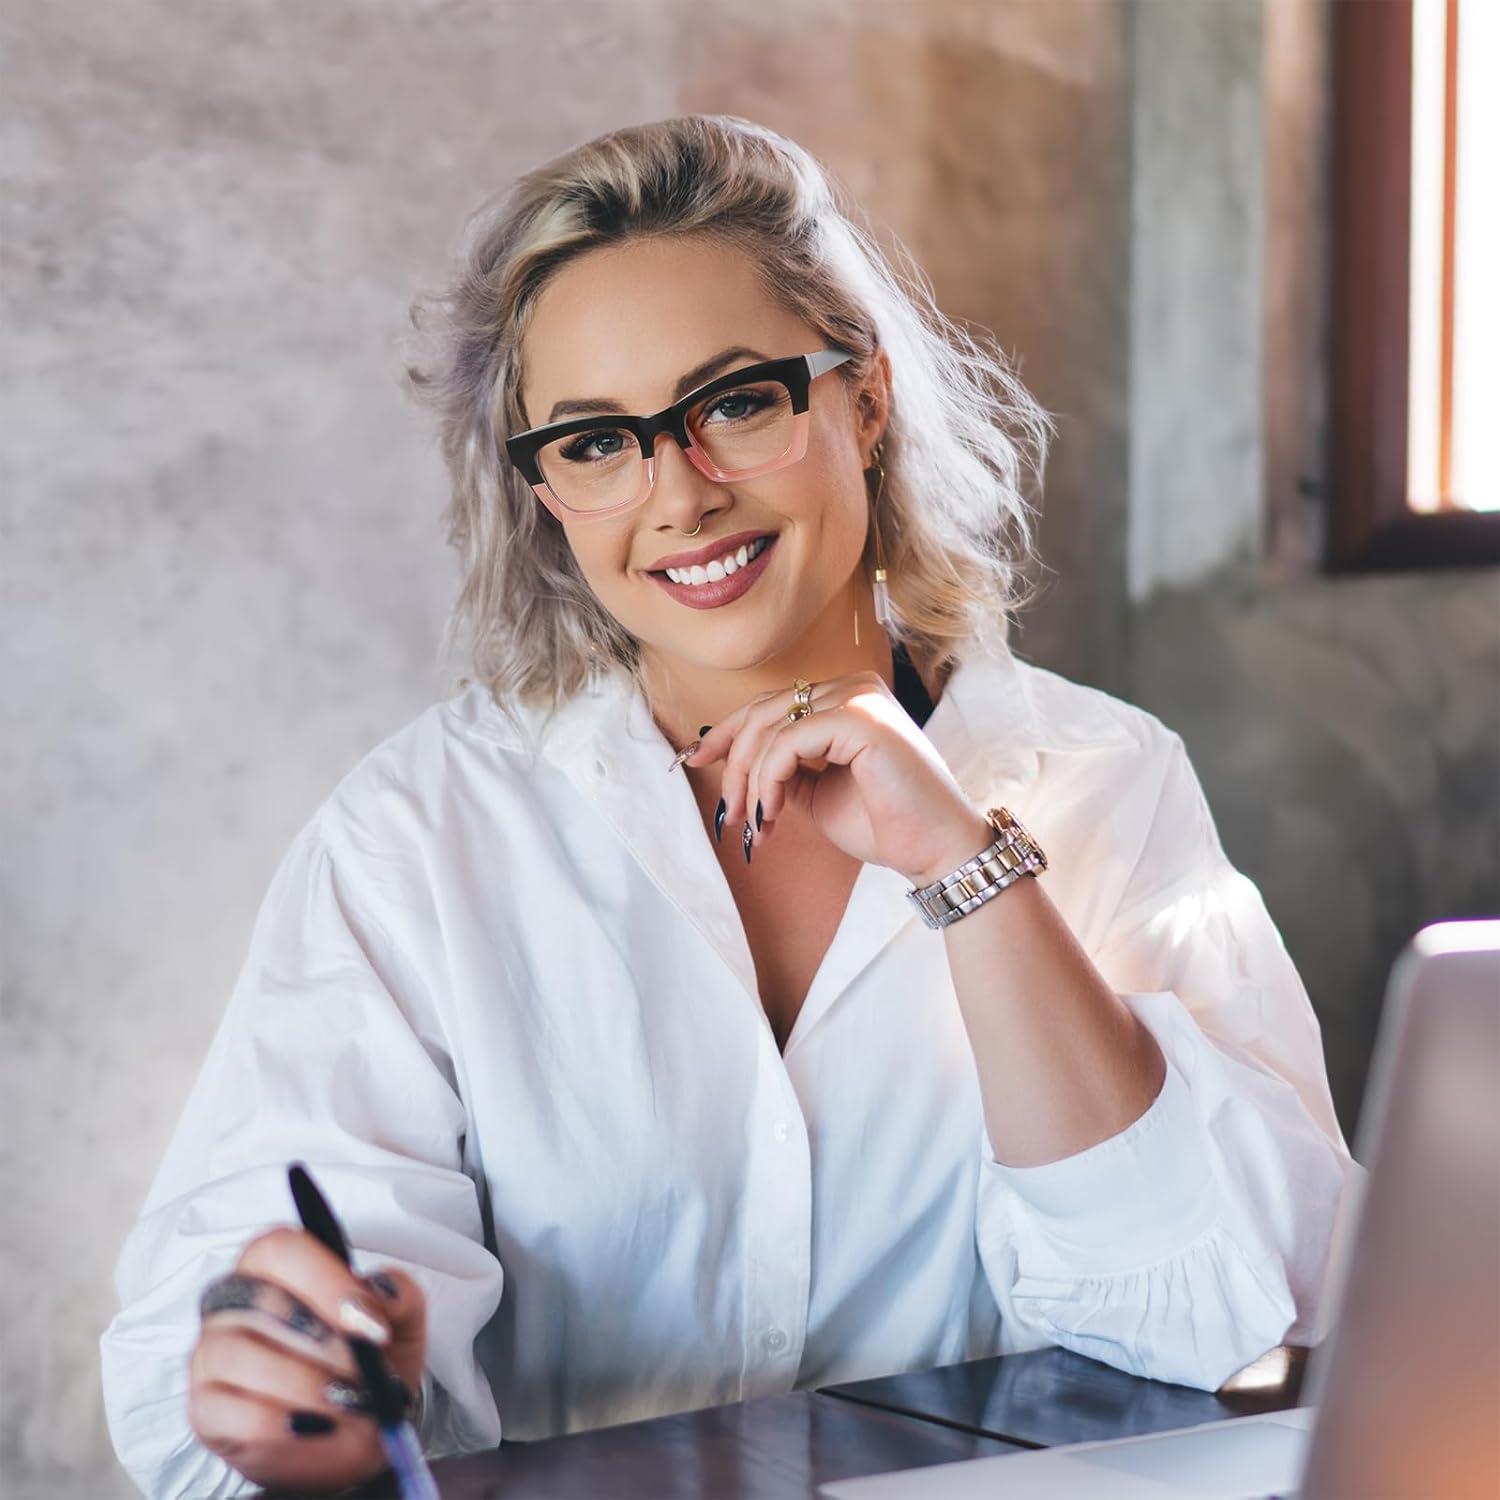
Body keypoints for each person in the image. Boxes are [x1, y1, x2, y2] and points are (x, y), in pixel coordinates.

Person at [99, 114, 1358, 1497]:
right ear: (543, 494)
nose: (679, 496)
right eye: (594, 442)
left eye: (738, 403)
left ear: (862, 400)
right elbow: (215, 1377)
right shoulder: (421, 834)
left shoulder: (1105, 778)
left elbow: (1229, 1323)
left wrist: (967, 865)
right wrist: (310, 1410)